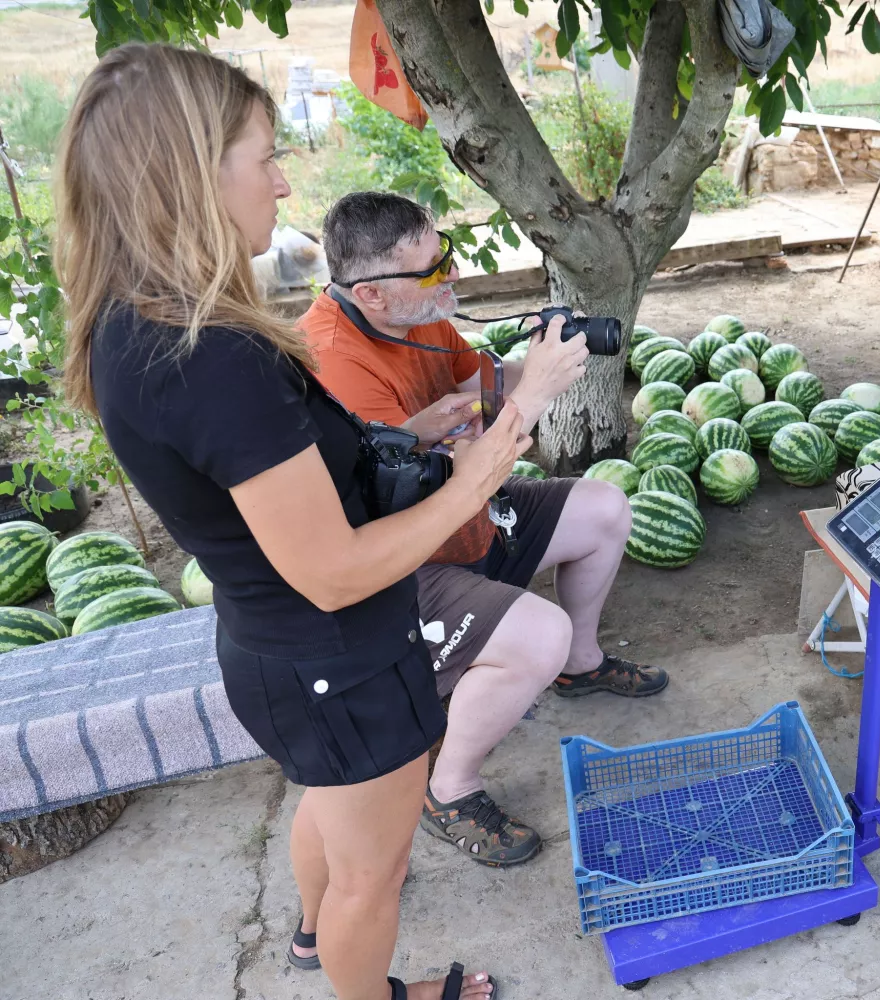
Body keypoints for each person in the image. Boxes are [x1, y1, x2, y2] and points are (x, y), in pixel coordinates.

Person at [58, 44, 501, 1000]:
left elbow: (286, 495)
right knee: (372, 876)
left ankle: (307, 936)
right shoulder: (206, 353)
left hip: (281, 649)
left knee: (332, 808)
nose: (285, 178)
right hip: (333, 652)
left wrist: (416, 443)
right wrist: (479, 474)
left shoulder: (136, 324)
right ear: (188, 173)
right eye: (264, 157)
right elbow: (334, 571)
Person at [295, 192, 668, 878]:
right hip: (398, 560)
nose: (453, 279)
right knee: (538, 631)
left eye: (448, 259)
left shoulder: (421, 318)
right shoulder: (333, 362)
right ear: (371, 293)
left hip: (463, 513)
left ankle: (580, 665)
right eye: (434, 271)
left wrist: (546, 363)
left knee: (606, 511)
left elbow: (484, 389)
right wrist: (526, 405)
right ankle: (450, 789)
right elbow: (444, 479)